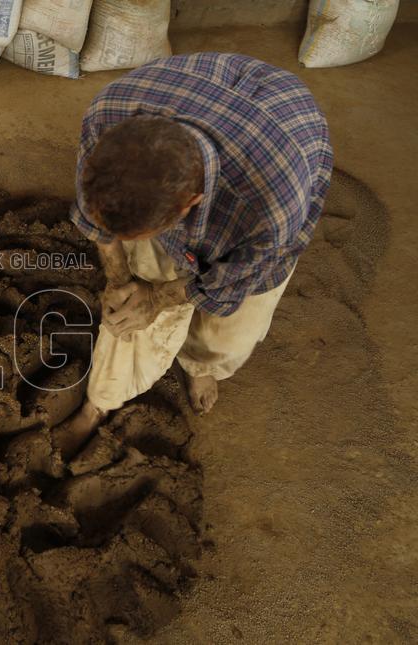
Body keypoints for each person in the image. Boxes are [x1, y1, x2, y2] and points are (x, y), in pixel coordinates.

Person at [56, 53, 333, 456]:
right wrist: (120, 281)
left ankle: (202, 367)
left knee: (228, 330)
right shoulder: (108, 112)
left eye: (139, 234)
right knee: (129, 306)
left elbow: (225, 285)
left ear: (189, 204)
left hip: (286, 139)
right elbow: (97, 218)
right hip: (205, 94)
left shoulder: (270, 209)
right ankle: (100, 402)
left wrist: (156, 298)